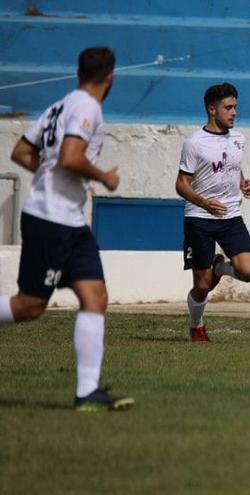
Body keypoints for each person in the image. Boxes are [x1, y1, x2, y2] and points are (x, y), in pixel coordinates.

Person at [1, 47, 134, 411]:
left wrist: (55, 180)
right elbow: (71, 157)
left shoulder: (58, 106)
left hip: (71, 221)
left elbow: (22, 153)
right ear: (110, 78)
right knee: (29, 306)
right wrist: (103, 176)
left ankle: (87, 392)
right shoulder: (87, 107)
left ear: (79, 72)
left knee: (96, 297)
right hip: (51, 220)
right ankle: (87, 391)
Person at [175, 82, 250, 342]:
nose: (234, 112)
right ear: (212, 110)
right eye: (228, 108)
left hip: (230, 216)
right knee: (202, 286)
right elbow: (181, 184)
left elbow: (231, 168)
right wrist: (203, 202)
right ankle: (196, 324)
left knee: (248, 271)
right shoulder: (194, 143)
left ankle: (221, 268)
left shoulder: (238, 139)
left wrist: (243, 183)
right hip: (200, 219)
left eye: (235, 107)